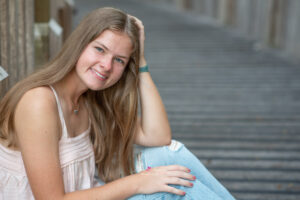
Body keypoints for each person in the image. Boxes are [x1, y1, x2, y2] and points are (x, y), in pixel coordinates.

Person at [0, 7, 235, 200]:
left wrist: (140, 61)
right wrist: (139, 182)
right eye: (100, 49)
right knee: (175, 188)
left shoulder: (89, 101)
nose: (106, 65)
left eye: (119, 60)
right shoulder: (39, 102)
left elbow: (158, 137)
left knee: (171, 156)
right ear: (79, 44)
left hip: (87, 192)